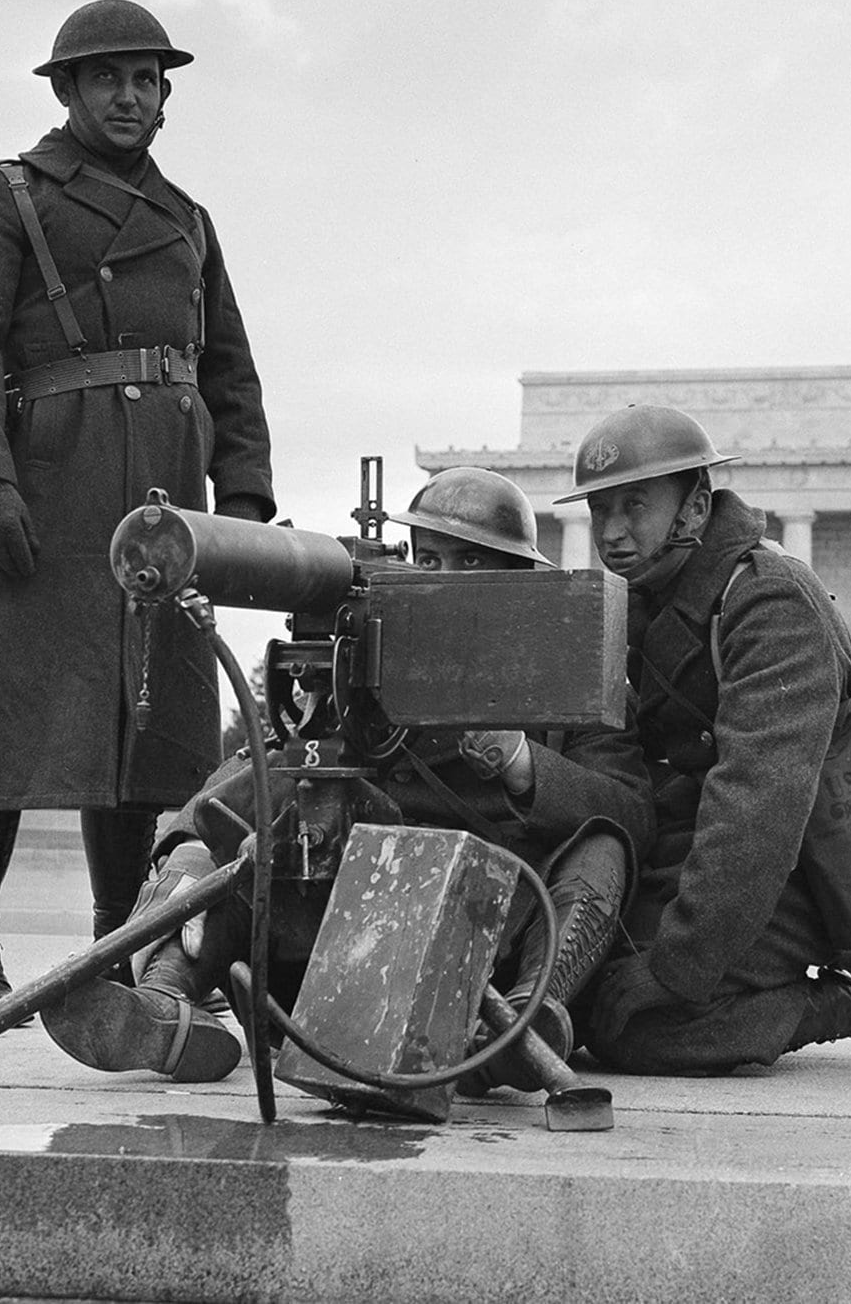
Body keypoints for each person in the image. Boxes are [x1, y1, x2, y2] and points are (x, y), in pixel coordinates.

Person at [39, 467, 653, 1089]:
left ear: (520, 578)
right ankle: (163, 1004)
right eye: (429, 560)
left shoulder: (564, 666)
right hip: (348, 930)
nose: (443, 582)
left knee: (604, 848)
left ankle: (524, 1021)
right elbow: (270, 763)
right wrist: (185, 858)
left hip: (491, 929)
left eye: (471, 562)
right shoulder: (367, 658)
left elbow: (628, 810)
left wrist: (521, 763)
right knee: (222, 834)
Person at [0, 0, 275, 1022]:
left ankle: (117, 951)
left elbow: (230, 373)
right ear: (65, 91)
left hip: (166, 503)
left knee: (145, 737)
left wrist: (240, 507)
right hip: (47, 493)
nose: (131, 95)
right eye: (109, 77)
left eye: (148, 80)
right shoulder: (7, 196)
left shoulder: (190, 222)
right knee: (7, 720)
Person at [562, 404, 851, 1075]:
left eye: (634, 505)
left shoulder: (770, 603)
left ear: (696, 505)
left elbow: (758, 807)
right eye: (600, 510)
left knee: (643, 1029)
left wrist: (676, 968)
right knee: (581, 994)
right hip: (706, 847)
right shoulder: (645, 602)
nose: (612, 532)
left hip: (812, 860)